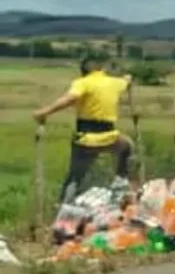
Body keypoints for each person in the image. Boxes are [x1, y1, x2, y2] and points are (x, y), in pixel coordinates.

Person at [32, 56, 134, 204]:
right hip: (109, 137)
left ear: (83, 71)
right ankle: (120, 179)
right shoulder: (115, 83)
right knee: (126, 146)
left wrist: (44, 112)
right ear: (101, 69)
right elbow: (127, 81)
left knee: (75, 176)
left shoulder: (82, 83)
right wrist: (128, 78)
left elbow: (69, 98)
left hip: (86, 139)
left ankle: (63, 205)